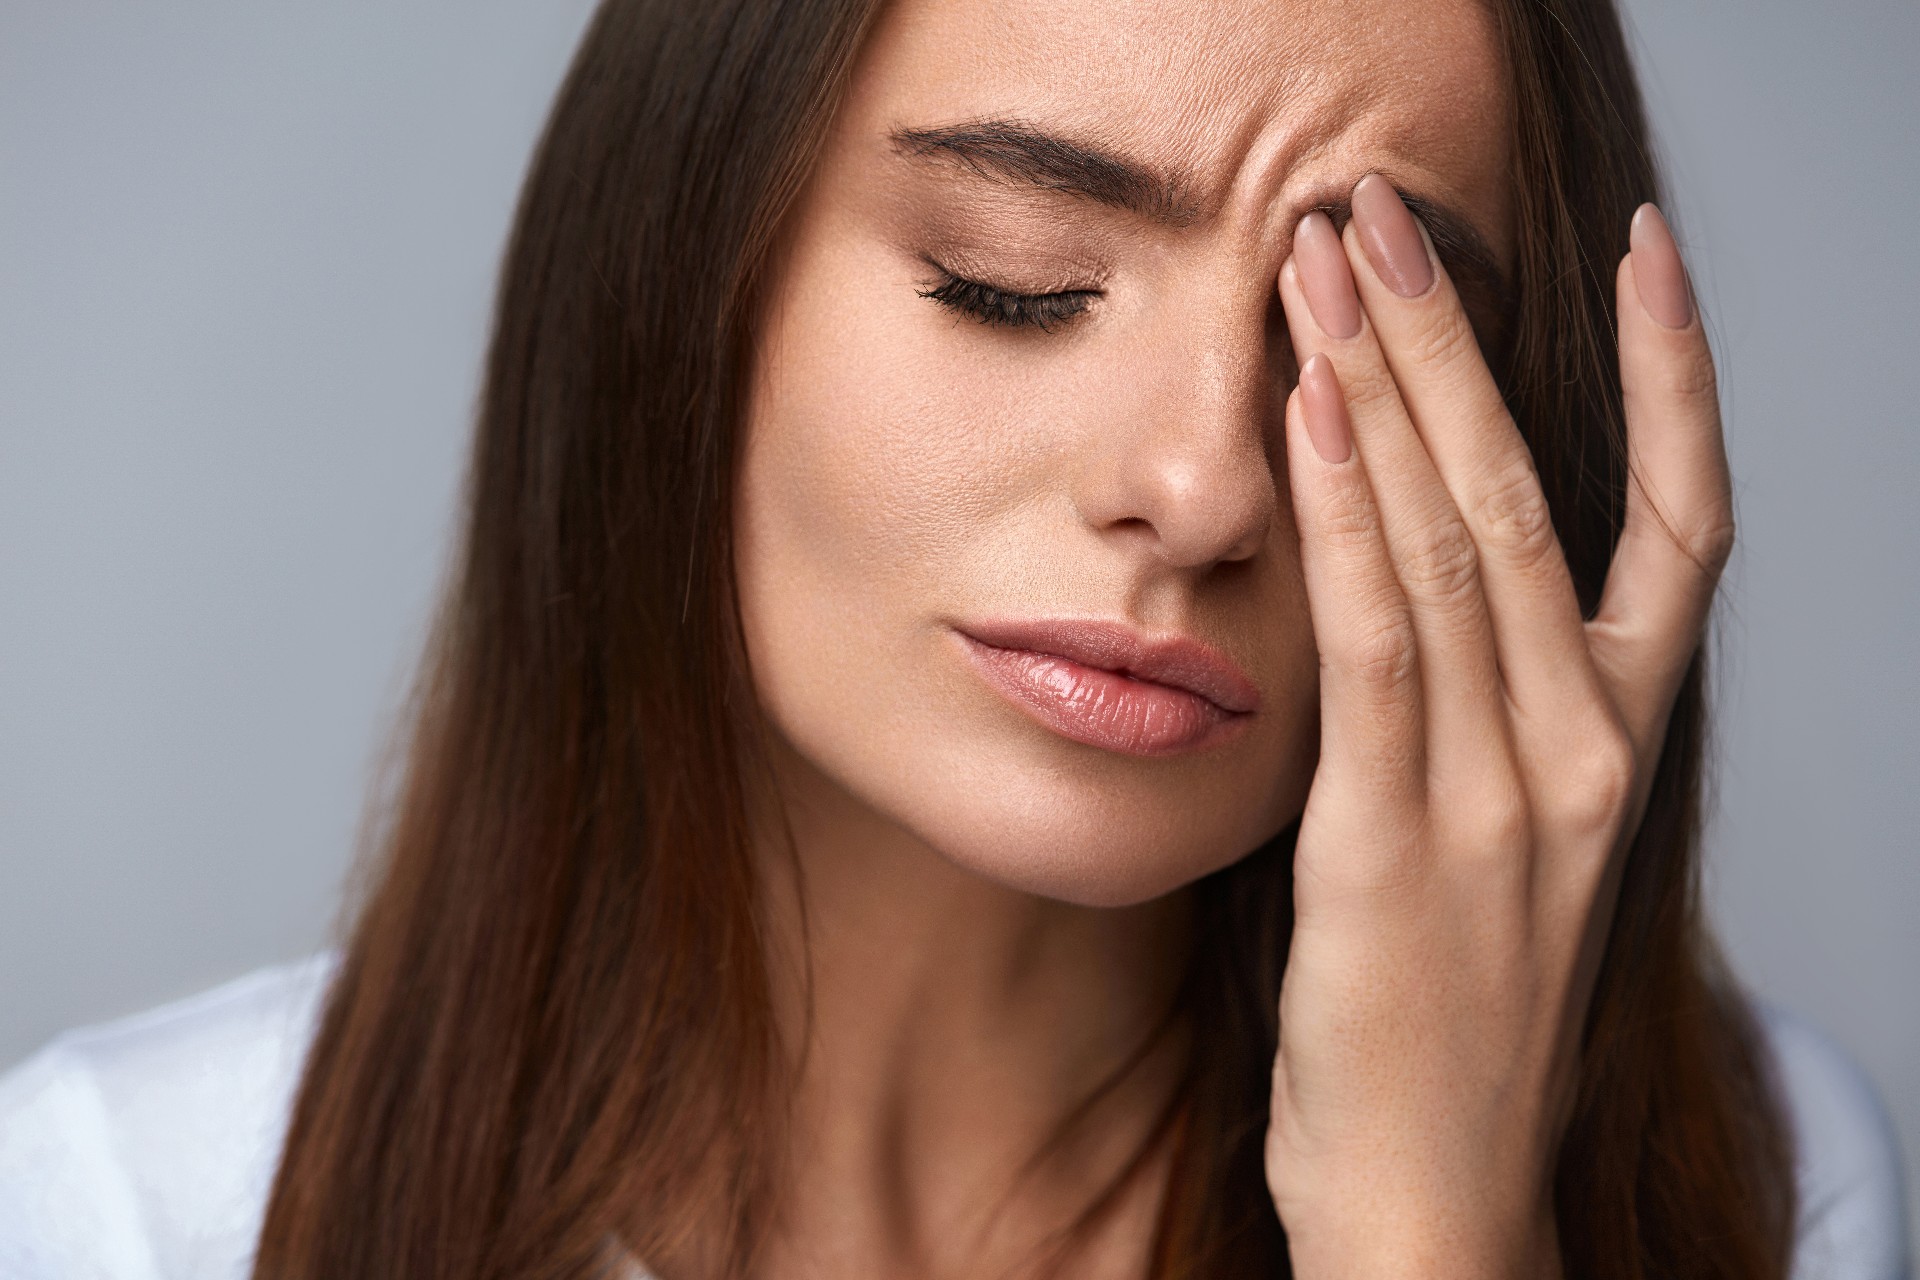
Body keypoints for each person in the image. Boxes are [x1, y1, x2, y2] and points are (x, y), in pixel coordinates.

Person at [0, 0, 1909, 1276]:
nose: (1205, 486)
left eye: (1356, 351)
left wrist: (1431, 1226)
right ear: (683, 283)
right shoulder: (129, 1211)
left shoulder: (1769, 1181)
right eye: (1018, 285)